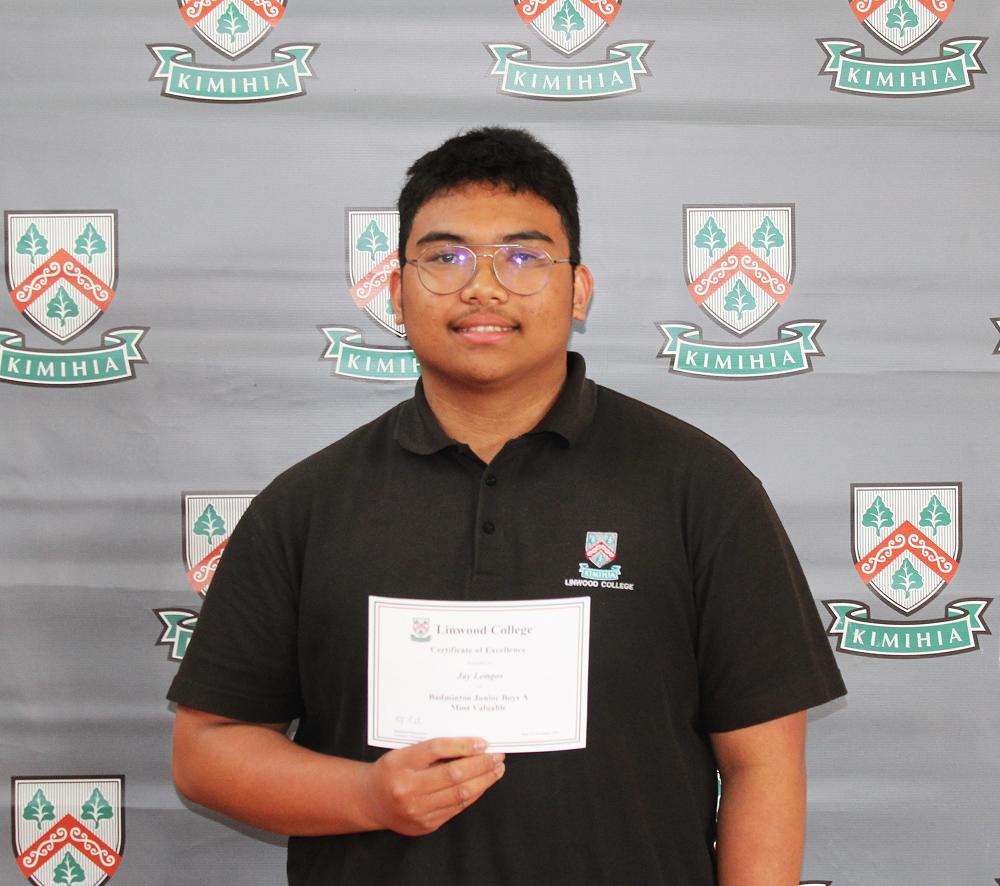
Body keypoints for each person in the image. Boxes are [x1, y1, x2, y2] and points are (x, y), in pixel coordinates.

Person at [168, 127, 846, 885]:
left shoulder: (699, 487)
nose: (483, 287)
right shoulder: (306, 506)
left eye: (524, 258)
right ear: (395, 293)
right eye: (445, 258)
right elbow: (207, 752)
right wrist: (367, 796)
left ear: (578, 290)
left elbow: (763, 766)